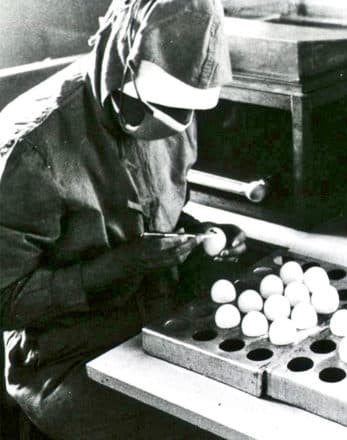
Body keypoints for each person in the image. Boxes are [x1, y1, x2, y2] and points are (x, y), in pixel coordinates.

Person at [0, 0, 243, 438]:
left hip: (156, 314)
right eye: (150, 110)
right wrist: (117, 266)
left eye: (183, 115)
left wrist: (199, 232)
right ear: (120, 66)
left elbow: (151, 199)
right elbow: (4, 298)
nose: (168, 128)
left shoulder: (171, 113)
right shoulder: (33, 150)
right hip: (69, 350)